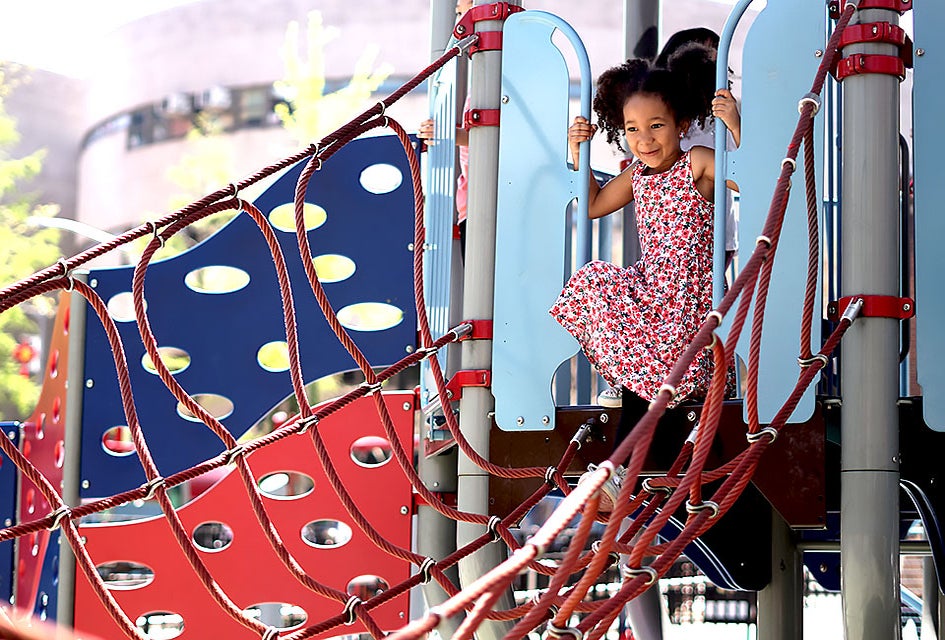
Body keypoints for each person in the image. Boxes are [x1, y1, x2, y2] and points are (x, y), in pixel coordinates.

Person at [549, 46, 740, 417]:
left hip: (689, 298)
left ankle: (652, 385)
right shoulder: (637, 174)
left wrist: (735, 123)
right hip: (652, 290)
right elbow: (593, 206)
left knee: (670, 352)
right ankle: (636, 380)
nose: (645, 140)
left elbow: (753, 177)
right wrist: (579, 152)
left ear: (681, 124)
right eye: (632, 129)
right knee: (593, 278)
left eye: (656, 126)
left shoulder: (697, 162)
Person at [418, 0, 473, 255]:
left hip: (490, 201)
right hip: (470, 202)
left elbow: (499, 137)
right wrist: (444, 133)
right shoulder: (479, 81)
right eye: (458, 13)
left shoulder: (504, 76)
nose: (460, 21)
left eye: (464, 10)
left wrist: (447, 134)